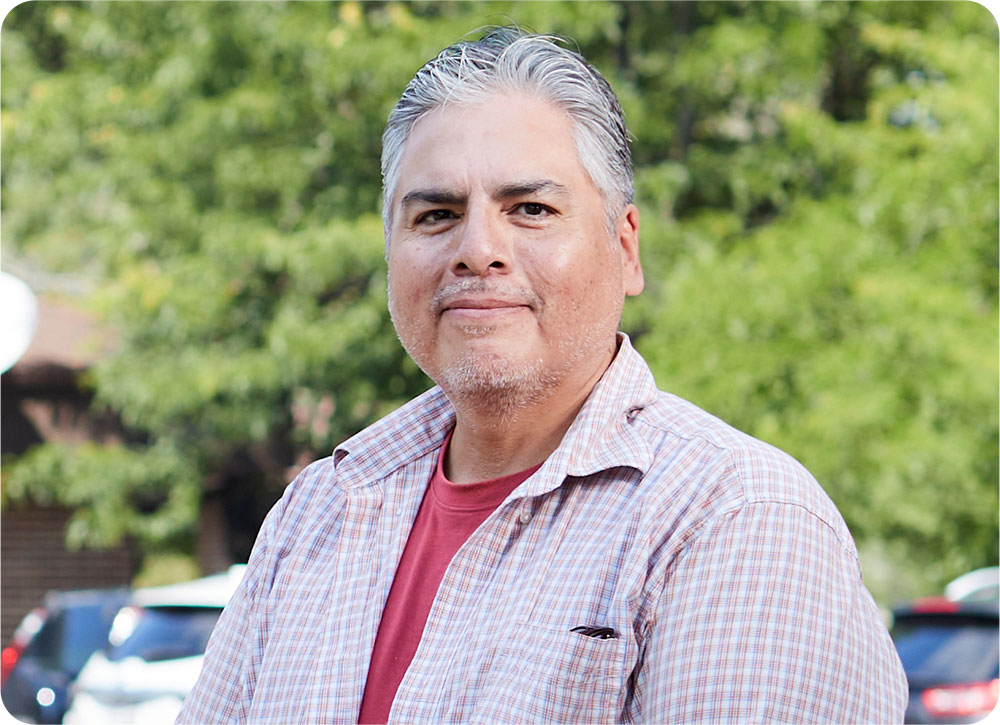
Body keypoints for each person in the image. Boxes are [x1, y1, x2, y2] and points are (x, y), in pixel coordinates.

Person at [178, 27, 907, 724]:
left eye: (529, 208)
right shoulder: (318, 514)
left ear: (625, 248)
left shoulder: (736, 519)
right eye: (436, 215)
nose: (478, 249)